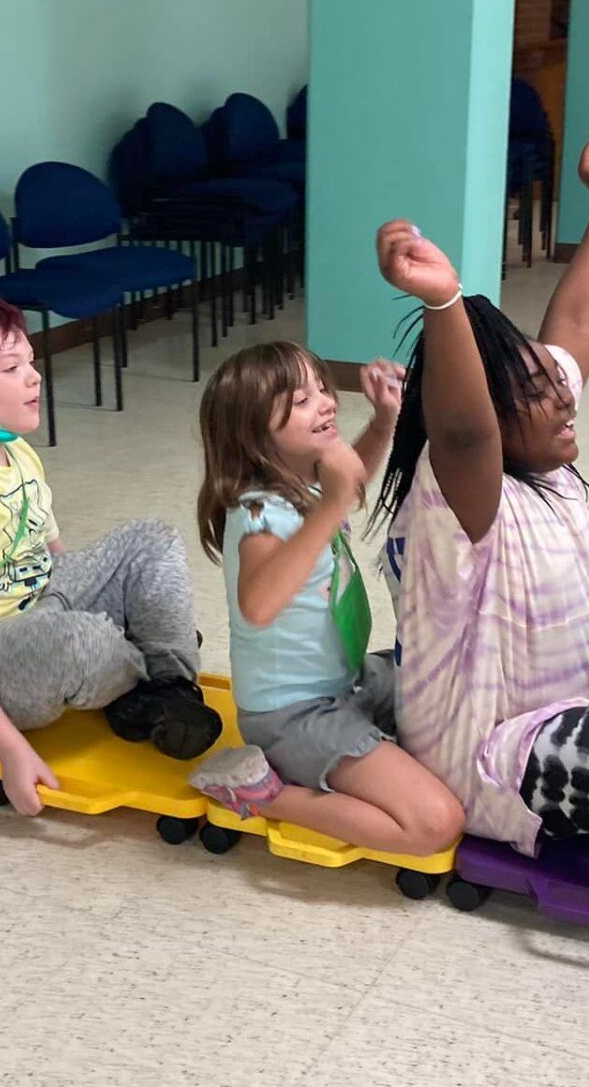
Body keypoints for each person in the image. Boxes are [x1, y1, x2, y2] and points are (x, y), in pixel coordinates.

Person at [372, 139, 589, 857]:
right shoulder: (463, 500)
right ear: (495, 424)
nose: (567, 396)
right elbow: (465, 433)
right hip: (489, 758)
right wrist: (442, 300)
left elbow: (577, 326)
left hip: (573, 694)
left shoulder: (546, 448)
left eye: (558, 383)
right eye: (540, 392)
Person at [0, 288, 220, 816]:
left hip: (33, 610)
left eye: (30, 363)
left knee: (153, 539)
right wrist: (12, 751)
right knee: (79, 641)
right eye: (11, 368)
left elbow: (52, 554)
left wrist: (95, 598)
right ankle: (139, 671)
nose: (34, 377)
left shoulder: (14, 449)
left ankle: (169, 689)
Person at [192, 343, 464, 855]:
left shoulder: (303, 481)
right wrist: (337, 498)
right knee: (436, 823)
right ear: (252, 432)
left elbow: (348, 480)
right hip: (292, 716)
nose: (326, 401)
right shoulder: (258, 516)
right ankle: (258, 792)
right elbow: (258, 606)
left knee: (447, 682)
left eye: (322, 387)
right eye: (301, 399)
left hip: (347, 681)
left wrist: (385, 421)